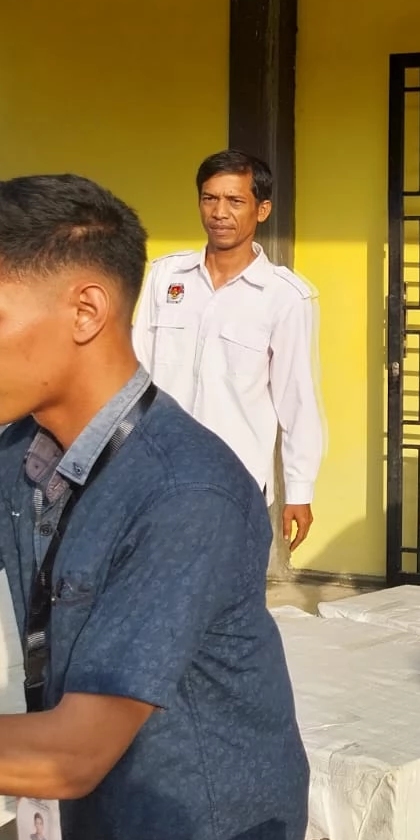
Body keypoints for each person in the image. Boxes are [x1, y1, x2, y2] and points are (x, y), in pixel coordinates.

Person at [0, 175, 309, 840]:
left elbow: (69, 755)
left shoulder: (186, 492)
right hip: (94, 839)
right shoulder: (21, 459)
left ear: (85, 311)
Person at [133, 150, 324, 552]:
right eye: (210, 198)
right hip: (155, 474)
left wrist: (299, 490)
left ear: (262, 210)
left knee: (222, 585)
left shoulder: (285, 297)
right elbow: (135, 372)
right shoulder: (166, 276)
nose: (219, 212)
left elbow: (298, 400)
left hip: (234, 482)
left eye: (235, 201)